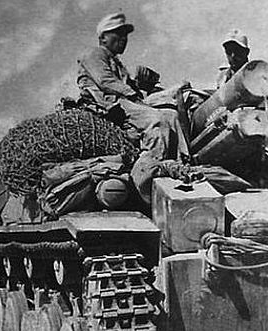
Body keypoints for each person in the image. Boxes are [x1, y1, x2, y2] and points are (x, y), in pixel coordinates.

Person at [77, 12, 189, 203]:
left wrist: (144, 85)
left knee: (171, 115)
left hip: (125, 101)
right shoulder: (95, 54)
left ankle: (180, 164)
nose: (123, 39)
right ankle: (147, 176)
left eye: (125, 35)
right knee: (156, 120)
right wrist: (134, 93)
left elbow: (125, 85)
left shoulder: (116, 61)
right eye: (118, 34)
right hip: (108, 103)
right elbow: (105, 81)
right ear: (103, 37)